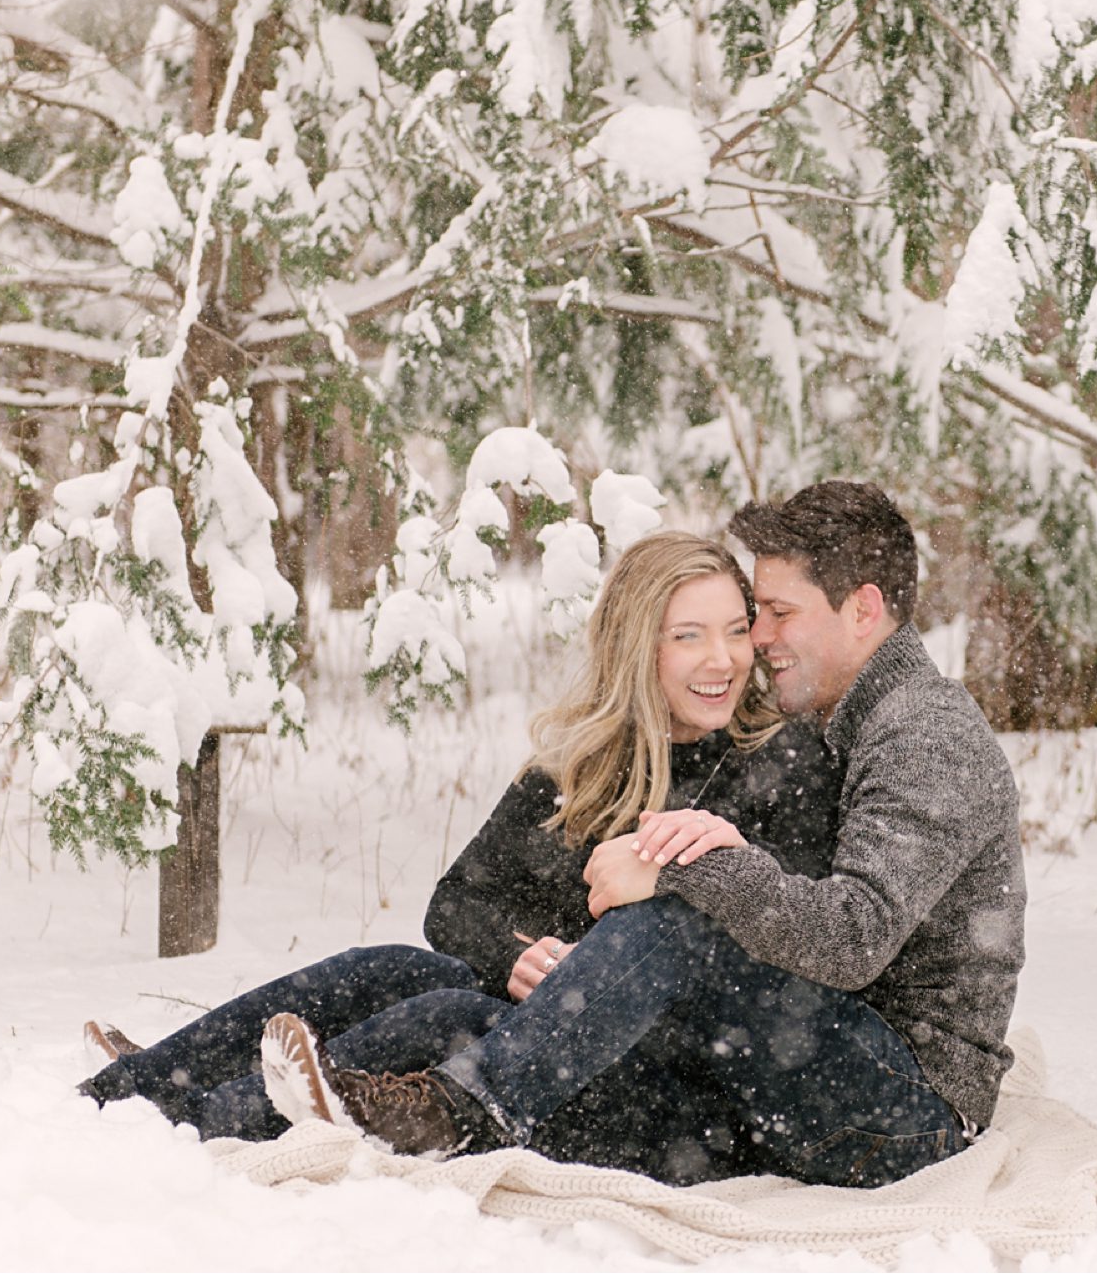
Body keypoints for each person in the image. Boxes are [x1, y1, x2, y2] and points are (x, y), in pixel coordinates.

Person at [266, 481, 1027, 1190]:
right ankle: (172, 1106)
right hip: (801, 1072)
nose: (756, 640)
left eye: (775, 613)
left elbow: (851, 938)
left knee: (674, 921)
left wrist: (683, 866)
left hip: (913, 1111)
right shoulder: (859, 722)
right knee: (441, 1000)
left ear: (862, 610)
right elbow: (466, 901)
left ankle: (461, 1114)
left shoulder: (925, 734)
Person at [79, 533, 840, 1183]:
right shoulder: (583, 763)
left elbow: (779, 941)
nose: (724, 659)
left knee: (453, 1013)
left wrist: (595, 974)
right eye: (689, 635)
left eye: (736, 630)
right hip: (543, 1030)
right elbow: (456, 903)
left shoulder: (783, 764)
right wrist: (517, 956)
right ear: (637, 643)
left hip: (678, 1094)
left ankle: (208, 1120)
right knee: (394, 966)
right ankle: (142, 1085)